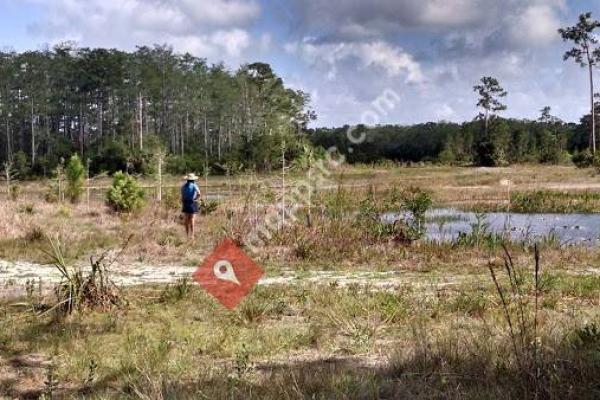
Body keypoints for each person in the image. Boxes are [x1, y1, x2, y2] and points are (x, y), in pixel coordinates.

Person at [181, 173, 201, 239]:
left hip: (185, 203)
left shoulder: (183, 186)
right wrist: (195, 199)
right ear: (193, 180)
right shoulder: (194, 185)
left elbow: (182, 195)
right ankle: (192, 235)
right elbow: (199, 193)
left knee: (186, 219)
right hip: (192, 203)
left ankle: (187, 235)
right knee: (192, 219)